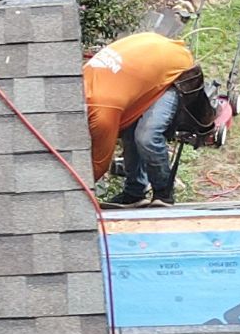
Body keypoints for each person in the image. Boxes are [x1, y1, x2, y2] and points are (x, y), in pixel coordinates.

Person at [83, 30, 201, 208]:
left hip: (176, 70)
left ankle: (163, 194)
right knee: (130, 131)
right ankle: (134, 193)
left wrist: (72, 191)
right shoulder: (79, 81)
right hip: (149, 51)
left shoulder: (103, 112)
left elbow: (99, 164)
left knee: (146, 136)